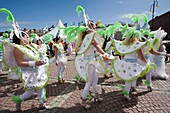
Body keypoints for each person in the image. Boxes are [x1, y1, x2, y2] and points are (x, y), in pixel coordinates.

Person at [9, 32, 49, 110]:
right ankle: (18, 99)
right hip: (28, 73)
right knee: (30, 92)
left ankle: (41, 104)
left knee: (40, 86)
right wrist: (34, 63)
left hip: (37, 71)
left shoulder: (29, 47)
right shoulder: (17, 49)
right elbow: (20, 63)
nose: (29, 38)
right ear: (21, 38)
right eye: (27, 37)